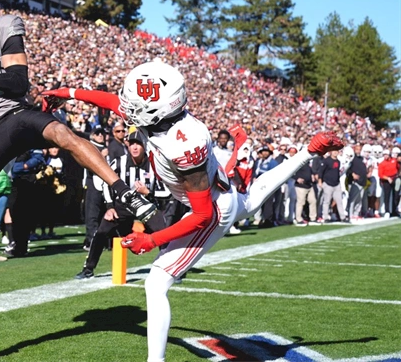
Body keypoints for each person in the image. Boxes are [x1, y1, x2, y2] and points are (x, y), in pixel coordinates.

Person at [43, 60, 344, 362]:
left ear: (157, 108)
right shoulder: (160, 114)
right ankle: (310, 150)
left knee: (156, 281)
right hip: (217, 191)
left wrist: (153, 240)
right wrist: (66, 92)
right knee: (250, 201)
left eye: (133, 105)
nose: (125, 108)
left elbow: (204, 217)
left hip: (213, 207)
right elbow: (110, 101)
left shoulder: (183, 145)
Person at [0, 0, 156, 344]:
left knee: (62, 134)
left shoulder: (5, 25)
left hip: (14, 116)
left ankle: (122, 191)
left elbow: (19, 83)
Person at [75, 130, 166, 280]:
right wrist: (110, 207)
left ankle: (171, 269)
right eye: (132, 144)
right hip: (122, 205)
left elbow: (166, 192)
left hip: (146, 205)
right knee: (101, 232)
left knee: (163, 233)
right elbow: (106, 183)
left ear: (145, 146)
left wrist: (148, 192)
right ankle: (88, 269)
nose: (135, 148)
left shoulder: (155, 165)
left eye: (138, 144)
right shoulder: (119, 162)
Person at [318, 150, 347, 222]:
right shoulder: (326, 161)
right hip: (327, 183)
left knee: (339, 201)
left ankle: (342, 217)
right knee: (326, 201)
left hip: (337, 184)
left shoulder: (338, 161)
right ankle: (326, 217)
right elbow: (321, 171)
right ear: (331, 152)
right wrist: (320, 181)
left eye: (337, 151)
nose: (335, 152)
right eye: (334, 151)